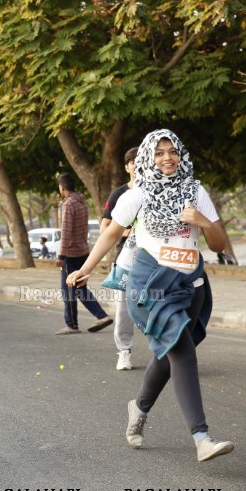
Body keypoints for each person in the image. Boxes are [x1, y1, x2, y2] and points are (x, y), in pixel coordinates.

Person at [68, 129, 233, 462]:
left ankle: (139, 408)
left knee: (167, 355)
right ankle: (202, 437)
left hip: (191, 286)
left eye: (172, 151)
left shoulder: (195, 190)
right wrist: (86, 268)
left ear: (180, 154)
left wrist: (202, 222)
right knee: (183, 354)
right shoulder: (137, 195)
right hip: (151, 286)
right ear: (147, 158)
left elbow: (217, 244)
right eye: (158, 153)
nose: (166, 158)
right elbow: (111, 233)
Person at [56, 173, 113, 335]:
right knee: (79, 287)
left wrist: (61, 255)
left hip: (71, 253)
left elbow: (66, 231)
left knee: (68, 289)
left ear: (62, 188)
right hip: (83, 251)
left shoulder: (68, 204)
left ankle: (72, 324)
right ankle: (101, 316)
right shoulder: (81, 202)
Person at [101, 147, 139, 369]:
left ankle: (165, 356)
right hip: (125, 259)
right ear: (127, 167)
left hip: (153, 260)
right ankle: (124, 351)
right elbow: (106, 226)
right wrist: (128, 232)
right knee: (123, 310)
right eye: (132, 161)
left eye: (140, 160)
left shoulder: (156, 192)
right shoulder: (119, 194)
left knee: (157, 306)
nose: (136, 164)